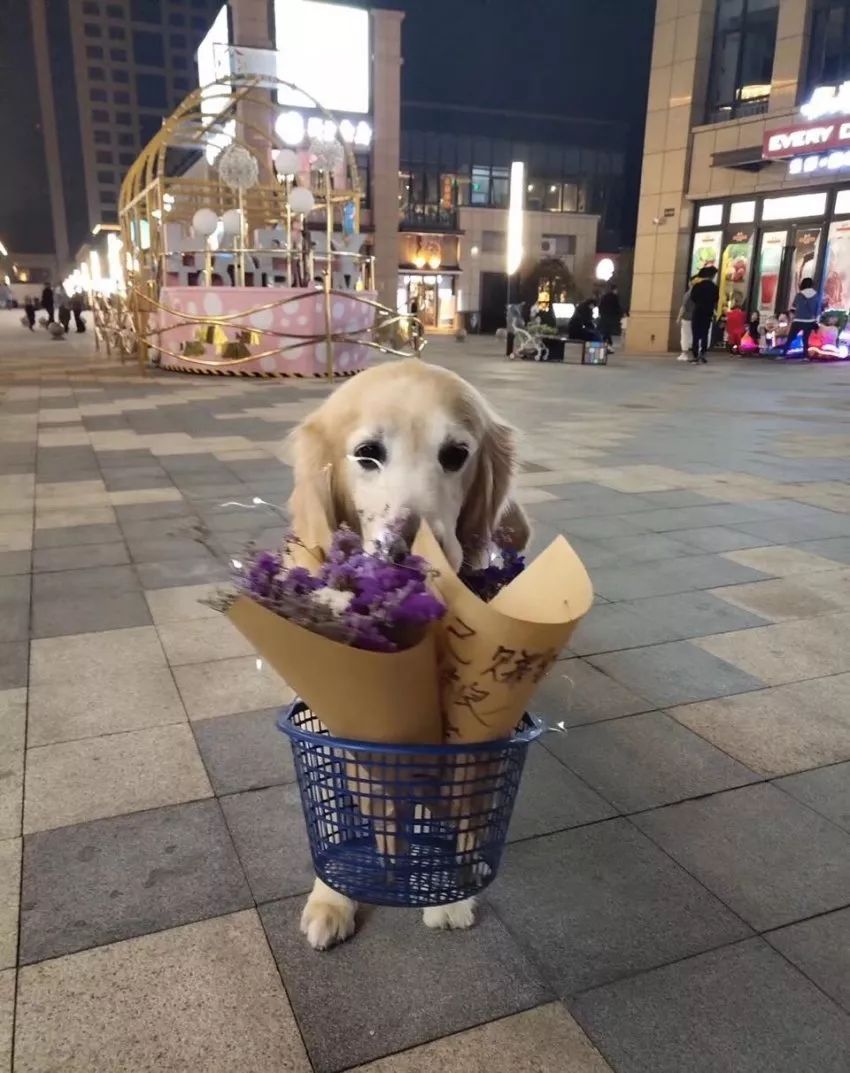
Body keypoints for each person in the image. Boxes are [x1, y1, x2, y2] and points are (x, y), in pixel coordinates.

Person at [688, 266, 719, 363]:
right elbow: (716, 299)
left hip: (698, 311)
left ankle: (695, 354)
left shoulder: (697, 285)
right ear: (712, 276)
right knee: (705, 333)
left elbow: (692, 297)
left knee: (696, 334)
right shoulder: (714, 287)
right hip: (708, 312)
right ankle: (703, 353)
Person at [783, 278, 819, 357]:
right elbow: (817, 308)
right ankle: (805, 356)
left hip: (798, 319)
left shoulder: (799, 295)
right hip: (810, 320)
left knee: (790, 338)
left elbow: (793, 308)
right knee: (805, 339)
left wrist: (792, 316)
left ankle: (783, 354)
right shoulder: (816, 295)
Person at [598, 285, 623, 351]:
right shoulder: (614, 297)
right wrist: (618, 315)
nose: (617, 292)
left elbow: (600, 305)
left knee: (606, 330)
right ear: (614, 290)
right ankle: (607, 342)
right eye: (616, 290)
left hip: (604, 316)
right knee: (608, 330)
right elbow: (617, 307)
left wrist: (600, 313)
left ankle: (606, 342)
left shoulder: (605, 296)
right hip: (611, 316)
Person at [676, 282, 695, 361]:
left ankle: (684, 354)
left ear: (690, 284)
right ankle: (695, 354)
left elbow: (683, 307)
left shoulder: (687, 294)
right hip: (696, 318)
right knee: (694, 335)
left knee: (685, 335)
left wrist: (678, 317)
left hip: (687, 318)